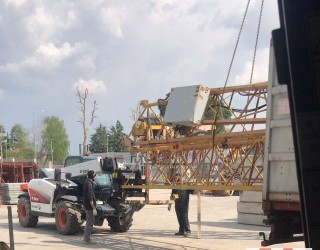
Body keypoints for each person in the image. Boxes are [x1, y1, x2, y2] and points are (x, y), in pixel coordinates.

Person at [171, 173, 192, 237]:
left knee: (184, 217)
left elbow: (192, 190)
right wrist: (170, 202)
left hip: (184, 203)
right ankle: (181, 231)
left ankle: (188, 231)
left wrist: (198, 190)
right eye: (175, 177)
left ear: (180, 177)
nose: (175, 178)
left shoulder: (186, 184)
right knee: (179, 217)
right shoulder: (175, 185)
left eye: (177, 176)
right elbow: (173, 194)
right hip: (177, 203)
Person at [83, 170, 97, 244]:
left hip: (87, 206)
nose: (96, 177)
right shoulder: (89, 185)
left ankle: (86, 238)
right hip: (89, 207)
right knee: (90, 222)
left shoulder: (86, 183)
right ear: (93, 176)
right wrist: (94, 208)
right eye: (95, 176)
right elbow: (90, 198)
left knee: (90, 221)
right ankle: (86, 239)